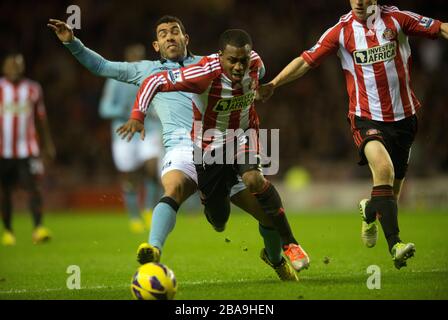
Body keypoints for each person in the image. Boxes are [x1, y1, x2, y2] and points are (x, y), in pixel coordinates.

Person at [48, 16, 307, 280]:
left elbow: (253, 71)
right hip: (181, 147)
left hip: (224, 144)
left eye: (175, 32)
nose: (170, 36)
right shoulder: (145, 70)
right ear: (156, 45)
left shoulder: (212, 65)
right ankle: (153, 248)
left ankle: (275, 259)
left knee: (256, 216)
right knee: (174, 189)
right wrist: (72, 43)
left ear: (186, 39)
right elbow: (102, 66)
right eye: (163, 34)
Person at [257, 0, 448, 269]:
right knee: (383, 170)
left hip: (404, 119)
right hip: (365, 118)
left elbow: (440, 28)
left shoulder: (397, 20)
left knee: (389, 197)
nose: (359, 2)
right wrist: (274, 84)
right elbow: (306, 60)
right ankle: (395, 245)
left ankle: (370, 209)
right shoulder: (341, 31)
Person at [118, 28, 310, 274]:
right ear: (220, 57)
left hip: (243, 136)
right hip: (209, 149)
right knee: (219, 219)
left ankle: (287, 248)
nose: (239, 67)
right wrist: (138, 115)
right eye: (232, 60)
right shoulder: (203, 73)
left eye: (244, 60)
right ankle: (216, 208)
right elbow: (153, 80)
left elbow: (259, 76)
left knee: (255, 180)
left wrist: (264, 88)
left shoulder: (257, 64)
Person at [99, 44, 163, 234]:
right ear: (127, 59)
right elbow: (104, 108)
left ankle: (149, 210)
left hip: (148, 130)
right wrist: (127, 112)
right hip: (124, 132)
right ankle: (134, 217)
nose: (137, 60)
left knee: (153, 168)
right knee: (129, 177)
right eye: (134, 56)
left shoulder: (152, 78)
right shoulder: (115, 80)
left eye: (140, 57)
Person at [0, 53, 56, 246]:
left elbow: (41, 118)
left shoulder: (33, 88)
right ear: (4, 68)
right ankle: (8, 230)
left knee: (34, 188)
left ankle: (38, 228)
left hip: (28, 149)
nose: (15, 69)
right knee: (4, 191)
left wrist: (48, 145)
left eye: (18, 66)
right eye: (11, 66)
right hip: (3, 151)